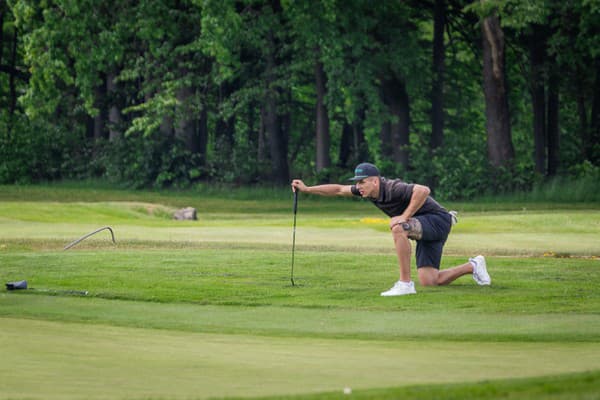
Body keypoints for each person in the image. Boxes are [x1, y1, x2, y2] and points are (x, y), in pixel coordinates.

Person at [291, 162, 491, 296]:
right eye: (357, 183)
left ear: (375, 181)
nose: (358, 186)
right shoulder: (366, 192)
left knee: (398, 228)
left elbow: (423, 190)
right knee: (430, 281)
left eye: (362, 182)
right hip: (425, 227)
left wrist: (404, 217)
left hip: (437, 221)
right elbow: (338, 189)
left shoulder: (392, 187)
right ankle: (474, 265)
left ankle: (405, 284)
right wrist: (308, 189)